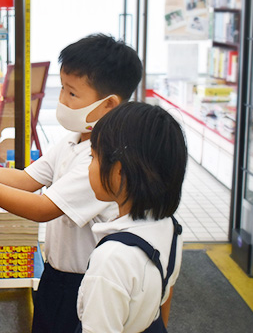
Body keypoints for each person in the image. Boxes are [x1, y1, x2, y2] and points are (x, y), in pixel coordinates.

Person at [0, 33, 143, 332]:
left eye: (72, 94)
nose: (61, 100)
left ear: (109, 104)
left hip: (82, 280)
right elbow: (26, 179)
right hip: (56, 272)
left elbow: (42, 208)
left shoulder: (103, 160)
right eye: (62, 89)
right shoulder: (74, 139)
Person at [76, 102, 186, 332]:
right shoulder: (171, 228)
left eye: (93, 157)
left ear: (118, 172)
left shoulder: (111, 260)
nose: (89, 167)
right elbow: (165, 296)